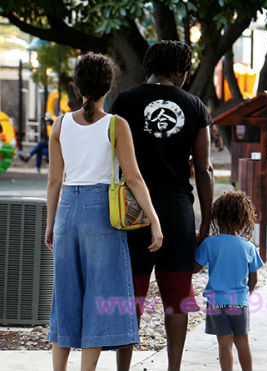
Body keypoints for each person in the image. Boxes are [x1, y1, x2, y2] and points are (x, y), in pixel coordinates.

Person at [45, 52, 163, 371]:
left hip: (66, 210)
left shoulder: (60, 124)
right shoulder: (116, 124)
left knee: (66, 295)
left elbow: (55, 179)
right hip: (102, 212)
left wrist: (50, 223)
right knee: (99, 294)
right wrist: (154, 220)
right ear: (109, 86)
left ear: (76, 86)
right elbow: (134, 178)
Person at [110, 40, 215, 371]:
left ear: (150, 67)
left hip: (133, 210)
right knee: (177, 298)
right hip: (177, 211)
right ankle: (173, 368)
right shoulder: (195, 106)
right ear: (181, 70)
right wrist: (204, 222)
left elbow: (111, 158)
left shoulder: (125, 101)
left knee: (132, 297)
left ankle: (123, 368)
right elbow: (204, 169)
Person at [193, 191, 263, 371]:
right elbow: (253, 278)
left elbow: (194, 268)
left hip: (216, 303)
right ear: (243, 222)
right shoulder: (248, 246)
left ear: (218, 219)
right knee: (242, 341)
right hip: (239, 302)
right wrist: (245, 295)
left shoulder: (210, 243)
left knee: (224, 343)